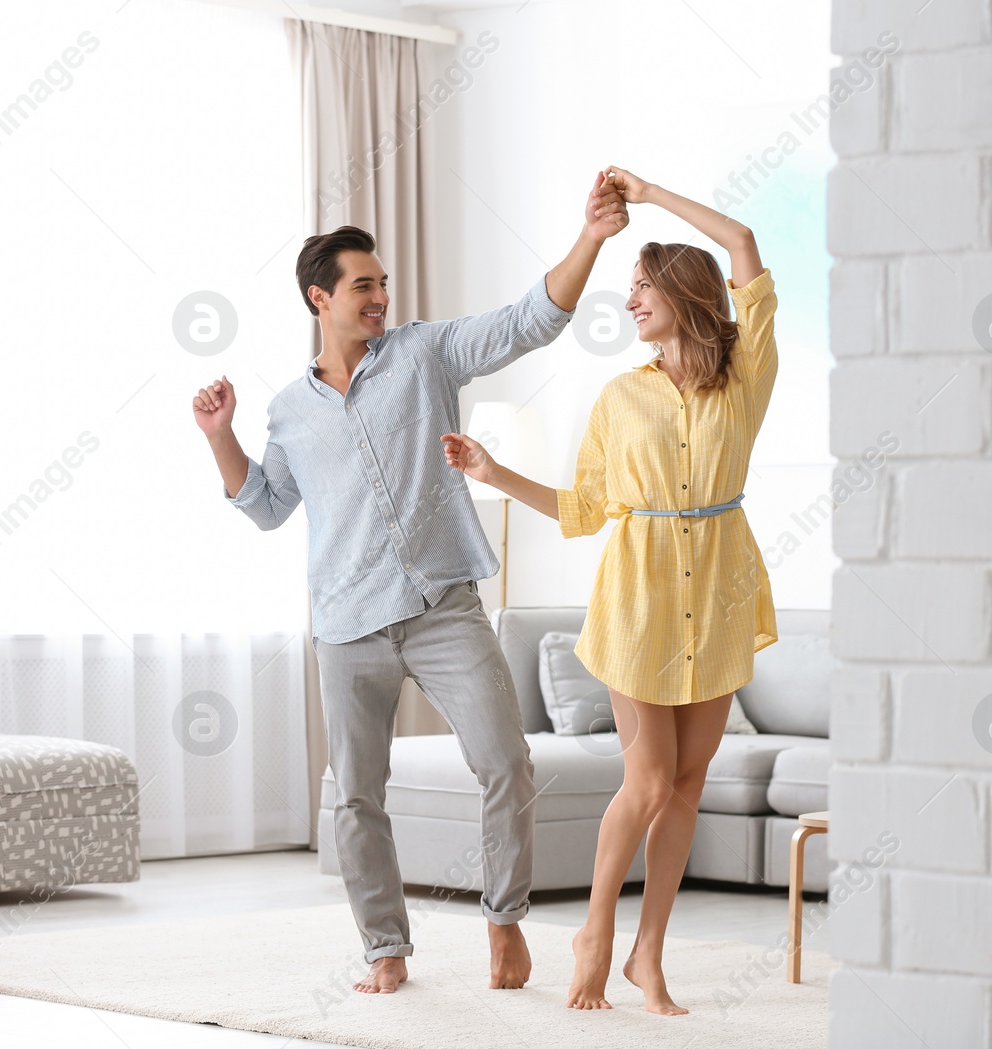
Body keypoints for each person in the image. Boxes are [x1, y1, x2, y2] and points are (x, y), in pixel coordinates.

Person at [190, 175, 629, 994]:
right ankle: (384, 949)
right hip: (348, 622)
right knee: (357, 794)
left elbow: (528, 319)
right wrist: (221, 437)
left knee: (506, 758)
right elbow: (266, 505)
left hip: (442, 606)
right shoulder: (289, 409)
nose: (382, 297)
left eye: (384, 283)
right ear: (320, 298)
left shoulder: (425, 353)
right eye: (365, 286)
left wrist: (593, 237)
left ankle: (505, 923)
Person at [441, 166, 779, 1015]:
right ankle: (595, 932)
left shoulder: (747, 375)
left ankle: (648, 954)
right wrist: (494, 471)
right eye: (629, 288)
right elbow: (585, 509)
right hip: (638, 598)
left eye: (641, 287)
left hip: (724, 592)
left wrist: (654, 197)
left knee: (690, 783)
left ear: (682, 294)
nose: (630, 301)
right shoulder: (619, 396)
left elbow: (741, 243)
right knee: (652, 780)